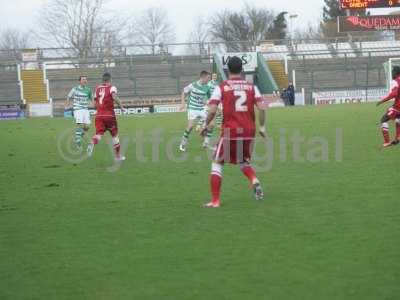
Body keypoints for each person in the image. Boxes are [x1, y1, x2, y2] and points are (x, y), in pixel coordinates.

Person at [201, 56, 267, 208]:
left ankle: (215, 201)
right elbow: (262, 107)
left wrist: (206, 124)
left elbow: (212, 110)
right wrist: (262, 127)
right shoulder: (252, 87)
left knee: (217, 162)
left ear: (227, 69)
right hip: (249, 131)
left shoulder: (222, 87)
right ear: (242, 69)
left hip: (231, 130)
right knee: (243, 160)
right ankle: (254, 180)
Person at [87, 73, 126, 161]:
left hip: (99, 115)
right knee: (114, 136)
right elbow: (114, 97)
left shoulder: (97, 88)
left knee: (98, 134)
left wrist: (99, 108)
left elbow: (94, 104)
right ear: (110, 79)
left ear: (102, 80)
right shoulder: (112, 87)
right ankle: (118, 156)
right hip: (109, 116)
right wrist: (121, 107)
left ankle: (92, 142)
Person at [179, 71, 212, 151]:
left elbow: (209, 98)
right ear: (203, 77)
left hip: (201, 108)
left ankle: (206, 143)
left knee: (211, 124)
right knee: (190, 126)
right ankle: (183, 143)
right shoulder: (193, 85)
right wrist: (183, 103)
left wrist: (208, 104)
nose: (209, 80)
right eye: (208, 78)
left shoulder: (207, 87)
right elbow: (184, 92)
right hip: (192, 108)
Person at [66, 76, 93, 148]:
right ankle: (78, 142)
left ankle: (78, 136)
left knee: (87, 127)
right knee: (79, 124)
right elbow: (69, 96)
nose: (85, 80)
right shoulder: (75, 89)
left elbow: (91, 98)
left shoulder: (88, 90)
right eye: (83, 79)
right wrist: (68, 104)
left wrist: (93, 103)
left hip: (85, 109)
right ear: (80, 81)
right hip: (77, 109)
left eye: (85, 79)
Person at [376, 66, 400, 148]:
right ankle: (397, 138)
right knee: (398, 119)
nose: (392, 74)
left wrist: (382, 101)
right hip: (397, 106)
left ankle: (387, 142)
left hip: (398, 106)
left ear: (396, 73)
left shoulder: (395, 81)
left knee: (384, 119)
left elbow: (394, 94)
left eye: (393, 72)